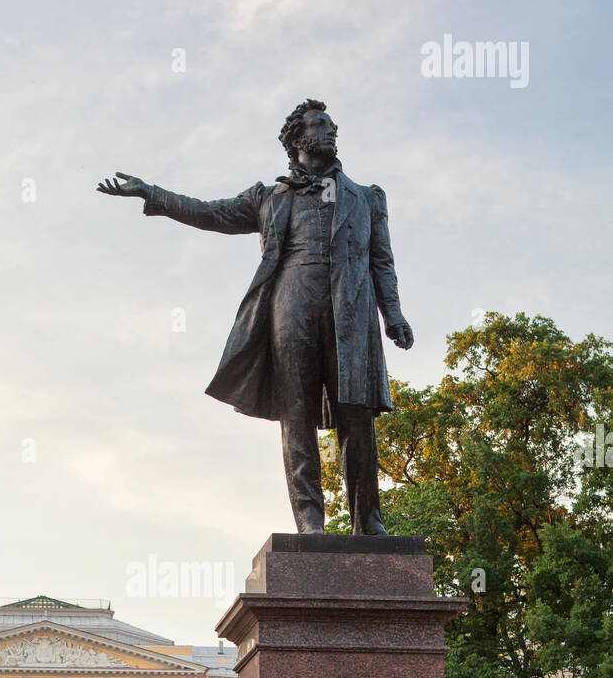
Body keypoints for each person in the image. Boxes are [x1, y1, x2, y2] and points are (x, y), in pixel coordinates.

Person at [97, 99, 413, 535]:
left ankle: (368, 523)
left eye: (331, 124)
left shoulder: (366, 198)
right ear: (297, 139)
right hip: (291, 306)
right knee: (296, 415)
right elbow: (210, 212)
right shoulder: (268, 198)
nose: (331, 129)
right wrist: (153, 193)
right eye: (320, 125)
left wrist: (392, 313)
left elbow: (382, 260)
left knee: (355, 416)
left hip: (352, 312)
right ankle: (310, 525)